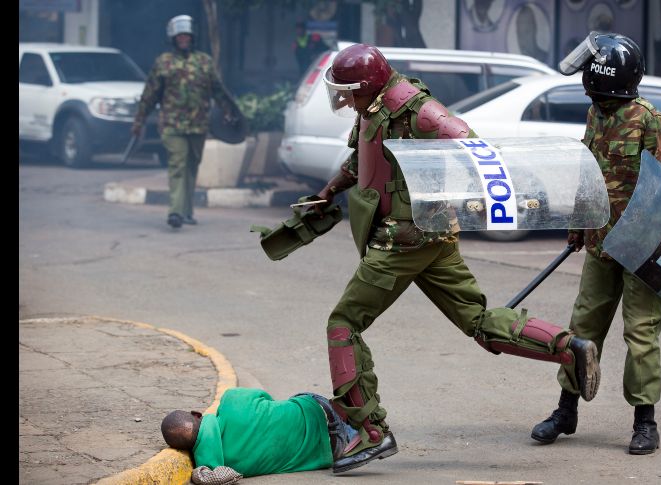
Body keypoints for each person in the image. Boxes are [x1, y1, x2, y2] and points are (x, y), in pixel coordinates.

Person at [313, 43, 603, 474]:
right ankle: (569, 347)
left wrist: (475, 200)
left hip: (404, 241)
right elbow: (362, 159)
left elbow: (471, 147)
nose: (344, 99)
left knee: (343, 325)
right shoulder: (372, 105)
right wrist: (329, 190)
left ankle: (370, 432)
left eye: (348, 90)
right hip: (429, 238)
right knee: (478, 320)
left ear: (369, 85)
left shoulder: (419, 109)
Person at [531, 32, 661, 455]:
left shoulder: (649, 119)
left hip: (643, 250)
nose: (590, 90)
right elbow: (588, 171)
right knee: (583, 329)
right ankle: (566, 410)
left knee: (641, 335)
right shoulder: (596, 114)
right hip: (600, 245)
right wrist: (579, 223)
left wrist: (650, 244)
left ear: (604, 77)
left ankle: (645, 422)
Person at [131, 14, 234, 229]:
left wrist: (229, 112)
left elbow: (218, 90)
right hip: (172, 125)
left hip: (198, 124)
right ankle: (175, 212)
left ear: (192, 36)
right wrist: (139, 120)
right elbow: (149, 95)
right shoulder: (163, 63)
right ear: (173, 38)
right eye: (180, 36)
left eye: (187, 35)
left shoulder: (204, 62)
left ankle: (187, 211)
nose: (184, 39)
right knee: (178, 164)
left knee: (191, 166)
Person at [161, 387, 360, 483]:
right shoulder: (232, 400)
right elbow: (266, 398)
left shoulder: (222, 466)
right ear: (197, 414)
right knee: (298, 400)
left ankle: (356, 433)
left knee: (349, 432)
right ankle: (358, 415)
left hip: (331, 451)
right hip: (317, 410)